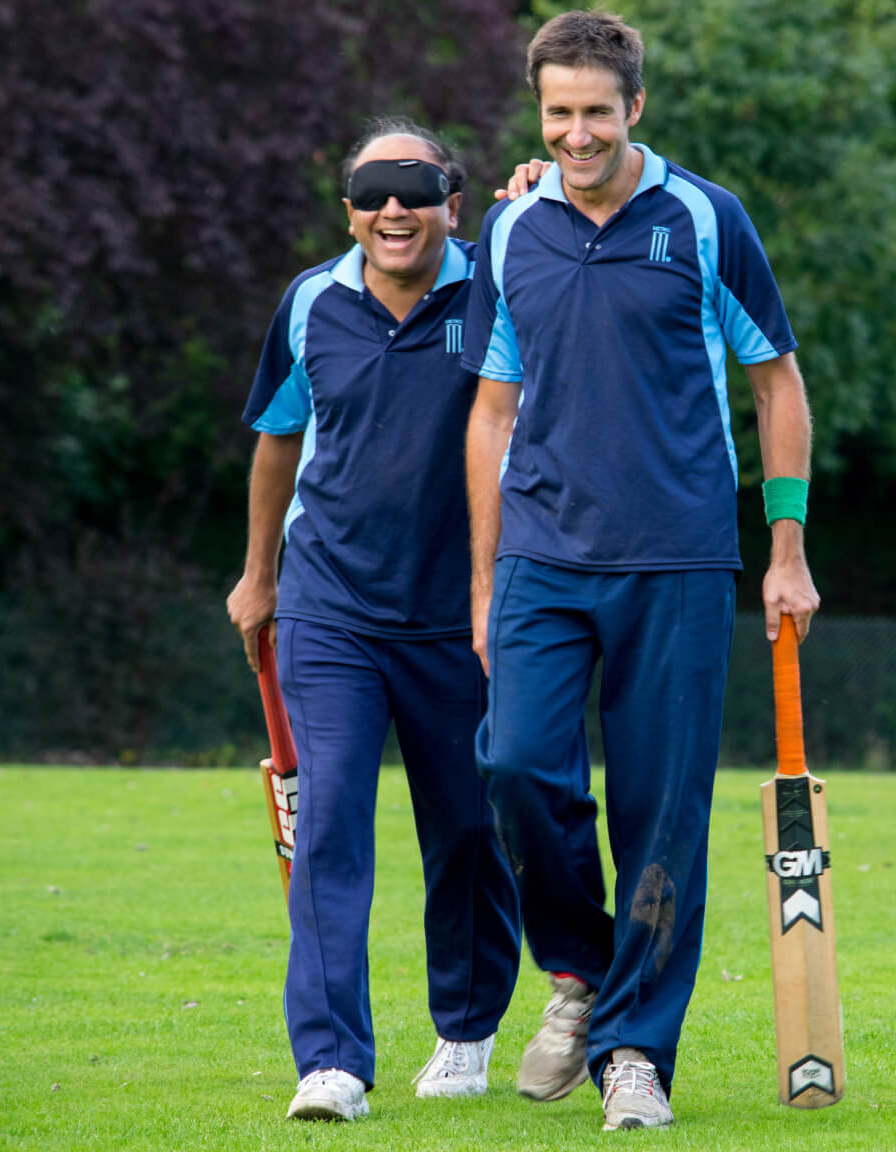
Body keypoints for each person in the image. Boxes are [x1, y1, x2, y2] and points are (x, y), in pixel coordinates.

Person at [461, 9, 819, 1133]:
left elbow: (777, 387)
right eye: (557, 114)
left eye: (596, 114)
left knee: (662, 813)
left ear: (637, 109)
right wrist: (481, 579)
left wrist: (788, 551)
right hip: (542, 556)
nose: (576, 135)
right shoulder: (512, 231)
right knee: (515, 765)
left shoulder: (709, 221)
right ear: (539, 111)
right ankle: (579, 970)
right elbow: (488, 411)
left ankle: (635, 1054)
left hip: (677, 555)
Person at [226, 117, 521, 1122]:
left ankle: (469, 1031)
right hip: (331, 609)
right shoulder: (311, 302)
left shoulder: (500, 283)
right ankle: (332, 1061)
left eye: (415, 186)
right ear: (348, 206)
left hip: (466, 615)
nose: (393, 208)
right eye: (371, 189)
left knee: (470, 830)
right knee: (332, 823)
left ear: (455, 199)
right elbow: (276, 440)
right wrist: (258, 575)